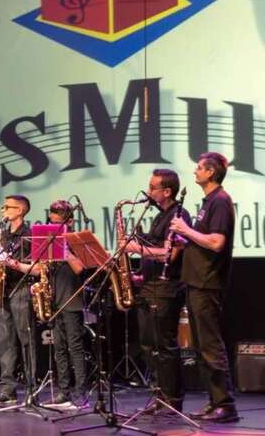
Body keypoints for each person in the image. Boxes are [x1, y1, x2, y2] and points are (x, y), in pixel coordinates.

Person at [169, 152, 238, 423]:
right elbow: (203, 241)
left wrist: (186, 230)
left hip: (208, 283)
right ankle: (214, 402)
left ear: (211, 173)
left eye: (199, 168)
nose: (195, 172)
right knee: (201, 347)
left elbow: (217, 242)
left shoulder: (220, 201)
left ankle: (225, 404)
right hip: (196, 281)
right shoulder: (209, 201)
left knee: (210, 346)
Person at [123, 169, 190, 414]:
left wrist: (136, 247)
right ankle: (159, 395)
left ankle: (172, 400)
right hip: (150, 286)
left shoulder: (179, 215)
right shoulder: (159, 216)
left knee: (164, 345)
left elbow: (169, 253)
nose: (148, 191)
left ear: (167, 191)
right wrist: (140, 275)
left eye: (152, 187)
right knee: (148, 345)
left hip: (167, 288)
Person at [42, 200, 88, 410]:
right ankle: (63, 392)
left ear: (69, 221)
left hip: (72, 300)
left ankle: (81, 393)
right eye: (51, 218)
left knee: (75, 348)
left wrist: (63, 248)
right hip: (54, 300)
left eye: (57, 220)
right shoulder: (47, 239)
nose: (52, 222)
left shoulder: (76, 240)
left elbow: (80, 268)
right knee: (59, 348)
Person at [0, 194, 37, 404]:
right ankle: (8, 388)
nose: (3, 210)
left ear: (19, 211)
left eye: (7, 207)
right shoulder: (3, 234)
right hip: (3, 289)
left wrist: (11, 263)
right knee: (5, 341)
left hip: (21, 289)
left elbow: (36, 267)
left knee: (25, 340)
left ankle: (31, 387)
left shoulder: (29, 235)